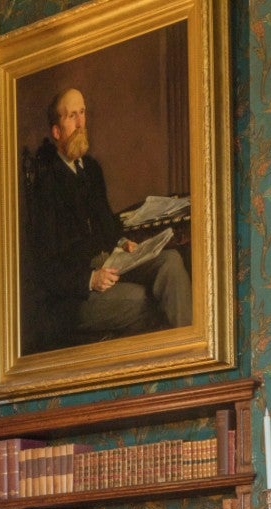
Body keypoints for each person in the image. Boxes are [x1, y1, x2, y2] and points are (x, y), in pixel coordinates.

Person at [21, 88, 191, 352]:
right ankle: (171, 361)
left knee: (171, 262)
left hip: (111, 261)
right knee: (141, 300)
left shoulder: (91, 169)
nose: (80, 123)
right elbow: (46, 268)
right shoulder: (46, 183)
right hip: (74, 295)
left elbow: (105, 224)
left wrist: (123, 243)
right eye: (71, 116)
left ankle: (189, 354)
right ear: (56, 132)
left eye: (82, 113)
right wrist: (90, 279)